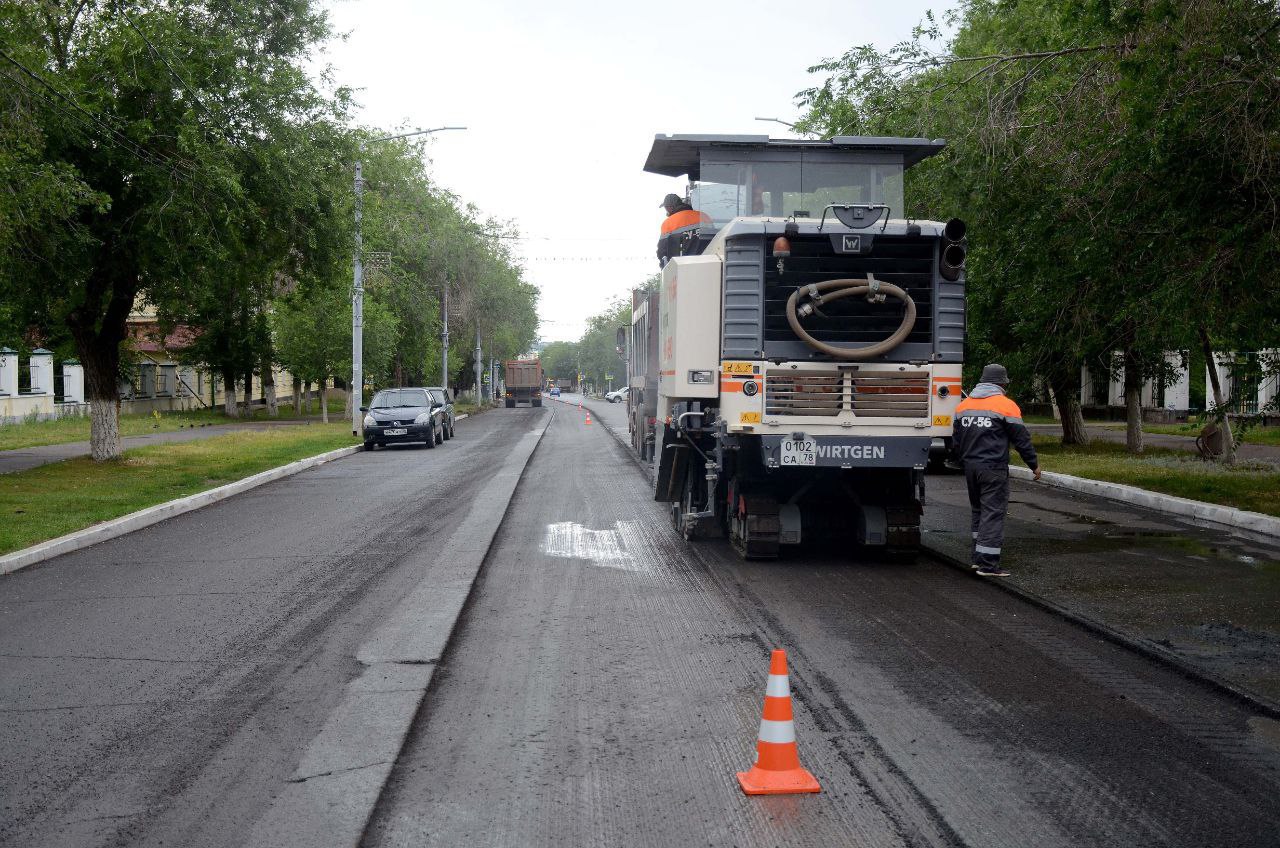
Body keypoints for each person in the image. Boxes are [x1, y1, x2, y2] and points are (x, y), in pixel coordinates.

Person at [951, 363, 1041, 577]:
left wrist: (960, 461)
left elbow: (956, 441)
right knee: (993, 512)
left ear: (982, 381)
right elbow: (1022, 439)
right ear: (1001, 383)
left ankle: (977, 558)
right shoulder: (1006, 405)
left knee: (978, 511)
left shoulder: (963, 406)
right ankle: (988, 564)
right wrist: (1034, 464)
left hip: (971, 467)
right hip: (993, 467)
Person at [657, 194, 711, 265]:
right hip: (707, 261)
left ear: (671, 207)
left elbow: (662, 251)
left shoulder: (667, 223)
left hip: (683, 266)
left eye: (666, 208)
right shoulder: (703, 215)